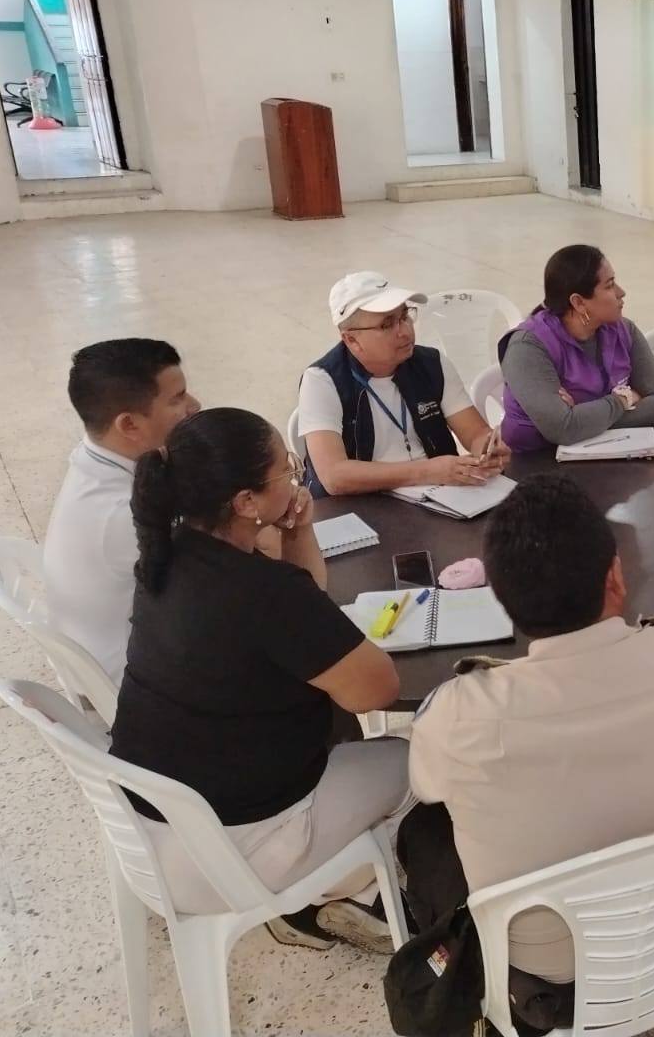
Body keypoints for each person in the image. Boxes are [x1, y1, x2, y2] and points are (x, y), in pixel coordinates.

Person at [402, 474, 654, 1032]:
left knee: (423, 833)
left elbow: (426, 786)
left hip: (549, 986)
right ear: (615, 576)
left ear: (502, 601)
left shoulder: (462, 714)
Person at [108, 408, 407, 952]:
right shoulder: (262, 592)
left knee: (333, 718)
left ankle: (346, 878)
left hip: (151, 831)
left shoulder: (167, 556)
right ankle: (348, 885)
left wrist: (298, 531)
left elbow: (304, 618)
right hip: (234, 852)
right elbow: (376, 690)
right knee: (416, 755)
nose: (295, 478)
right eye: (287, 471)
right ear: (246, 502)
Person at [43, 339, 201, 686]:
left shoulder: (97, 458)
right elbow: (216, 586)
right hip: (133, 684)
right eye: (177, 399)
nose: (194, 406)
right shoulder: (119, 514)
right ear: (129, 425)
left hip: (122, 647)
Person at [300, 270, 508, 497]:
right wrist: (426, 471)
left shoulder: (432, 363)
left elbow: (475, 433)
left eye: (405, 316)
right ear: (351, 339)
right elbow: (334, 476)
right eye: (387, 325)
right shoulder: (321, 380)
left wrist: (488, 448)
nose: (405, 331)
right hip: (362, 503)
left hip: (439, 496)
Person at [498, 245, 654, 451]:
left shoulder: (623, 330)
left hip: (607, 452)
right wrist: (623, 399)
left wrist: (582, 418)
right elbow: (563, 429)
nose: (621, 292)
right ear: (579, 302)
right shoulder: (527, 348)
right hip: (536, 461)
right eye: (609, 285)